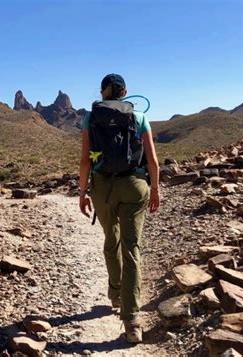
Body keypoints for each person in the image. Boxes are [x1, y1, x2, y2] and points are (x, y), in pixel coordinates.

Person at [79, 73, 160, 343]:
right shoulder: (139, 117)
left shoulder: (91, 118)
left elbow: (84, 161)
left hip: (102, 187)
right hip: (135, 186)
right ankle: (132, 320)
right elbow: (152, 160)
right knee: (131, 247)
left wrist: (82, 193)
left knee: (110, 239)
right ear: (124, 92)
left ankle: (115, 292)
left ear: (103, 92)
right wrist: (155, 190)